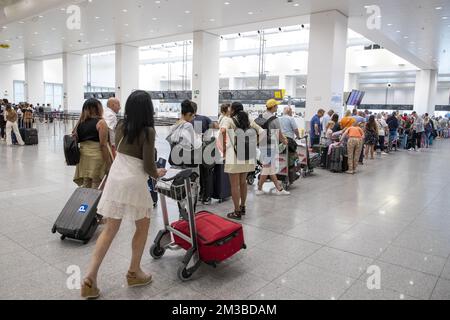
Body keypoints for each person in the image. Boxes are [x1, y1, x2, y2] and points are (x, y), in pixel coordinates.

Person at [81, 91, 167, 300]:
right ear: (148, 109)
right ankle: (134, 272)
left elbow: (120, 152)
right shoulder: (148, 131)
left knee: (110, 228)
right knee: (143, 225)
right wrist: (158, 173)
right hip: (133, 179)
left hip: (116, 177)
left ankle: (90, 277)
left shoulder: (120, 125)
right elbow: (147, 165)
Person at [220, 102, 264, 220]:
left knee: (234, 185)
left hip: (234, 155)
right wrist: (255, 143)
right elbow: (262, 132)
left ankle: (236, 211)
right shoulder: (248, 120)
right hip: (247, 154)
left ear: (232, 109)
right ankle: (243, 207)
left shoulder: (229, 120)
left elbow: (223, 131)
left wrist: (224, 147)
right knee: (243, 182)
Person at [73, 99, 112, 189]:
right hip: (97, 157)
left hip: (84, 157)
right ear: (97, 108)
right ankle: (94, 203)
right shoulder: (101, 123)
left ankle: (85, 203)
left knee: (86, 183)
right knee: (96, 184)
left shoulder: (80, 123)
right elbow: (103, 145)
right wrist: (108, 162)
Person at [256, 99, 290, 197]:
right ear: (273, 107)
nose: (277, 107)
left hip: (262, 143)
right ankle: (274, 189)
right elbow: (279, 133)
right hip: (270, 145)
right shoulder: (274, 119)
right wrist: (284, 140)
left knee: (267, 167)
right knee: (268, 167)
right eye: (276, 106)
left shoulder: (261, 116)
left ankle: (271, 188)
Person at [167, 100, 202, 168]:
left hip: (174, 159)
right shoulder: (187, 125)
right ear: (189, 114)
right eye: (193, 116)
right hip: (186, 161)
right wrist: (199, 137)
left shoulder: (175, 125)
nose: (193, 118)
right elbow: (197, 144)